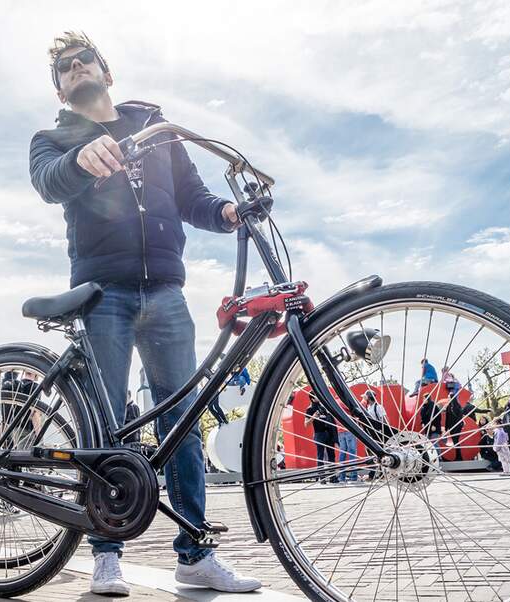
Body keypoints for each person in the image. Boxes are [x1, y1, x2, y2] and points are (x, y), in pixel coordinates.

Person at [29, 32, 257, 595]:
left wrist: (227, 211)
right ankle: (106, 551)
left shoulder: (155, 127)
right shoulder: (52, 138)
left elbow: (190, 197)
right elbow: (48, 183)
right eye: (65, 67)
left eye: (85, 60)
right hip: (100, 293)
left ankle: (195, 555)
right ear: (58, 86)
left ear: (107, 71)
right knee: (105, 425)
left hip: (166, 291)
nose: (76, 68)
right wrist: (80, 160)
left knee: (180, 422)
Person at [306, 397, 338, 482]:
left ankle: (333, 477)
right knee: (320, 456)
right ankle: (322, 477)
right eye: (316, 395)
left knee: (331, 455)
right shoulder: (310, 409)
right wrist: (313, 417)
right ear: (312, 399)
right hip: (319, 434)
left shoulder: (324, 407)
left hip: (329, 433)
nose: (318, 396)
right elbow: (306, 424)